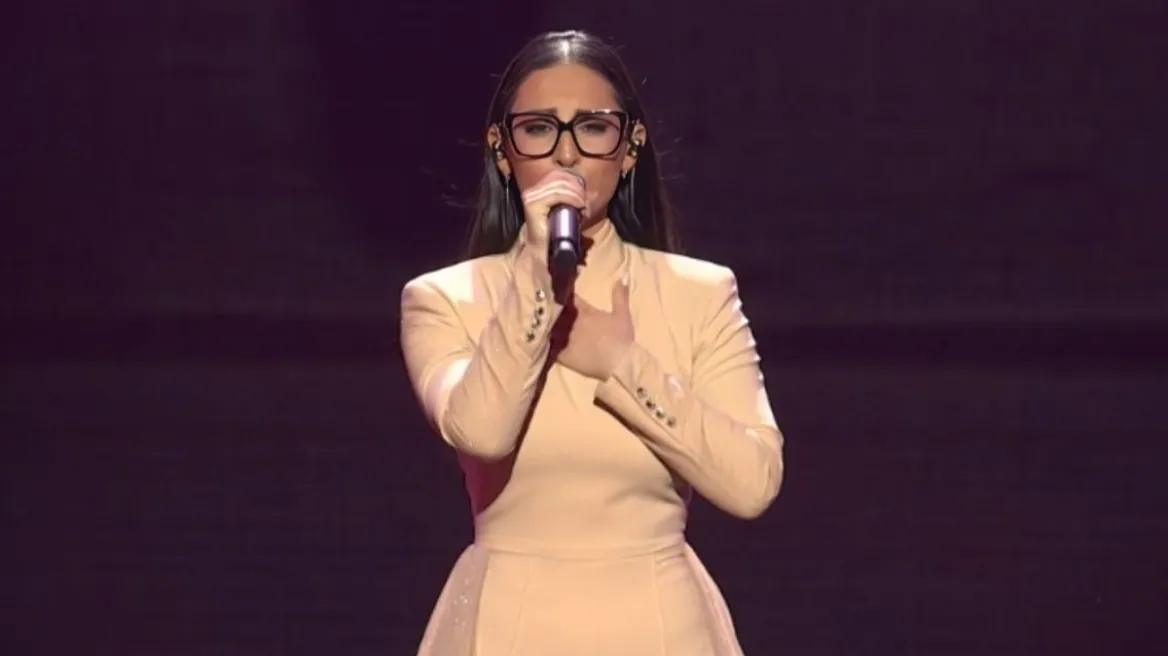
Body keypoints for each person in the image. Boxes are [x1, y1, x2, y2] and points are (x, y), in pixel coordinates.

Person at [399, 29, 785, 656]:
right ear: (503, 151)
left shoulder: (699, 292)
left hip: (659, 624)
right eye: (538, 129)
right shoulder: (444, 298)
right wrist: (537, 278)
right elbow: (483, 432)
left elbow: (753, 483)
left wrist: (620, 363)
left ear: (629, 149)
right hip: (507, 622)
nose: (566, 154)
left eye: (593, 128)